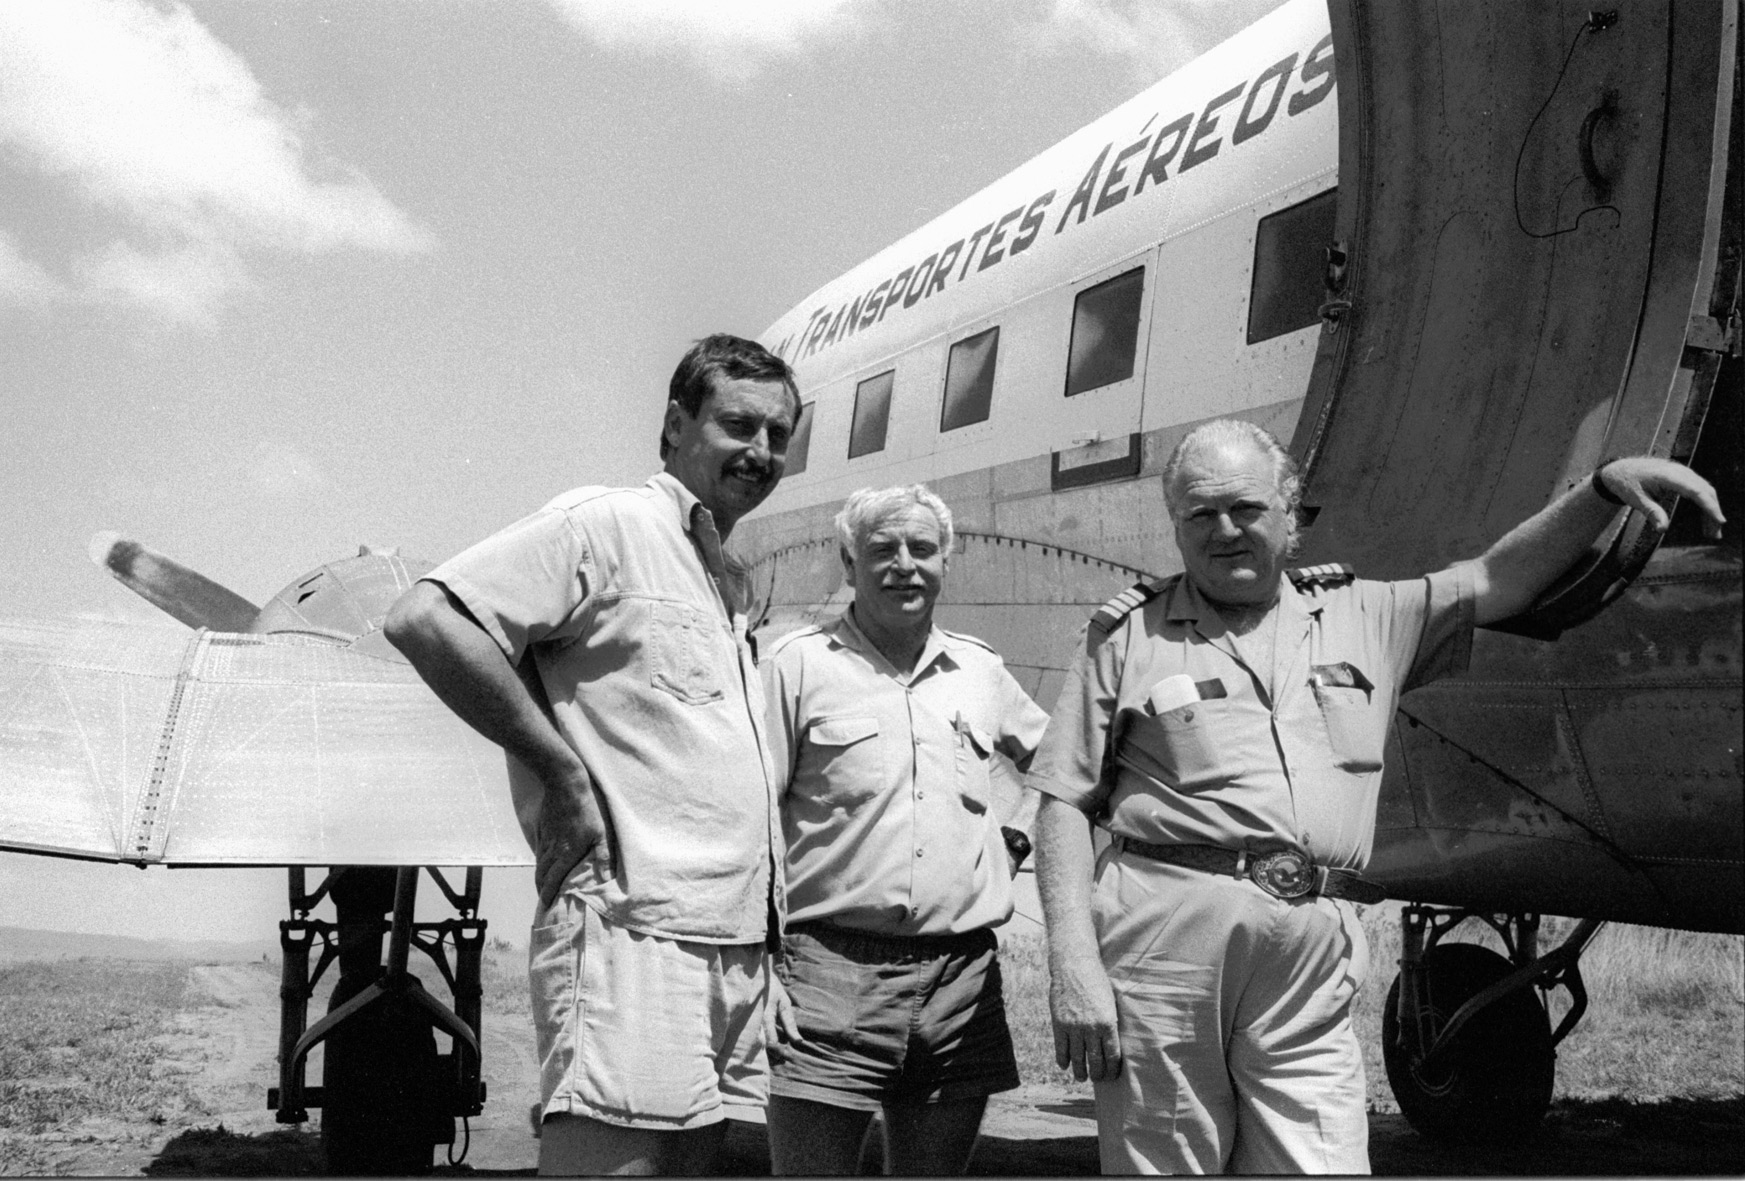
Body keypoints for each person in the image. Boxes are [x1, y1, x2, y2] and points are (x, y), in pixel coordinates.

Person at [1028, 418, 1725, 1175]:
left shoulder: (1368, 615)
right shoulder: (1125, 636)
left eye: (1245, 509)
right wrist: (1073, 964)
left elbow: (1498, 579)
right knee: (1165, 1161)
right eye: (1199, 514)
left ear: (1288, 516)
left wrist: (1599, 491)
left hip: (1311, 950)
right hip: (1164, 948)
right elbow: (1062, 800)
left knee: (1320, 1160)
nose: (1223, 530)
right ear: (1175, 526)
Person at [384, 333, 800, 1176]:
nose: (760, 452)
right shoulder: (609, 524)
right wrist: (560, 769)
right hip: (628, 923)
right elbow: (426, 619)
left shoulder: (724, 577)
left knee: (689, 1166)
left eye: (778, 436)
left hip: (725, 936)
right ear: (676, 425)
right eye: (738, 425)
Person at [760, 484, 1050, 1175]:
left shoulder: (979, 670)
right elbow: (751, 819)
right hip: (826, 970)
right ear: (847, 561)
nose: (903, 565)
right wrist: (759, 964)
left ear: (944, 559)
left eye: (921, 548)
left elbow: (1064, 769)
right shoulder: (795, 665)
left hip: (961, 977)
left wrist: (1010, 842)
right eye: (881, 549)